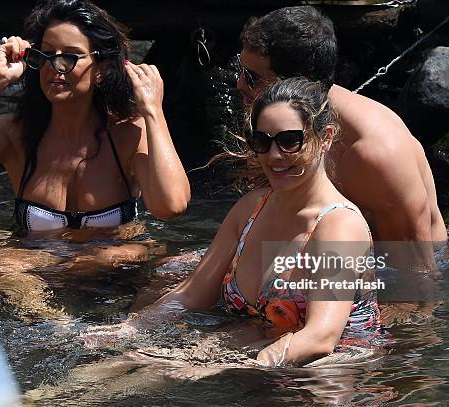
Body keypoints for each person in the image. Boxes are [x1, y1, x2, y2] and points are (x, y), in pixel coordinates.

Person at [83, 78, 382, 367]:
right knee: (107, 368)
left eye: (290, 141)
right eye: (262, 142)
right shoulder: (253, 208)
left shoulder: (339, 226)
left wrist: (218, 367)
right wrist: (127, 330)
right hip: (253, 353)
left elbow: (320, 338)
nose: (274, 155)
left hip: (325, 379)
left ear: (326, 137)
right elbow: (190, 294)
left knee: (157, 372)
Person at [0, 0, 190, 234]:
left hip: (112, 273)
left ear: (101, 69)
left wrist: (153, 112)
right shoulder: (14, 132)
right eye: (47, 54)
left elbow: (171, 206)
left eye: (70, 57)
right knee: (7, 265)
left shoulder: (128, 134)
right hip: (35, 270)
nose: (55, 67)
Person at [236, 6, 447, 271]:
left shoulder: (376, 154)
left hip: (388, 279)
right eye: (241, 69)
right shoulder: (280, 123)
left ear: (298, 84)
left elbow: (417, 278)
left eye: (253, 77)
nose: (239, 84)